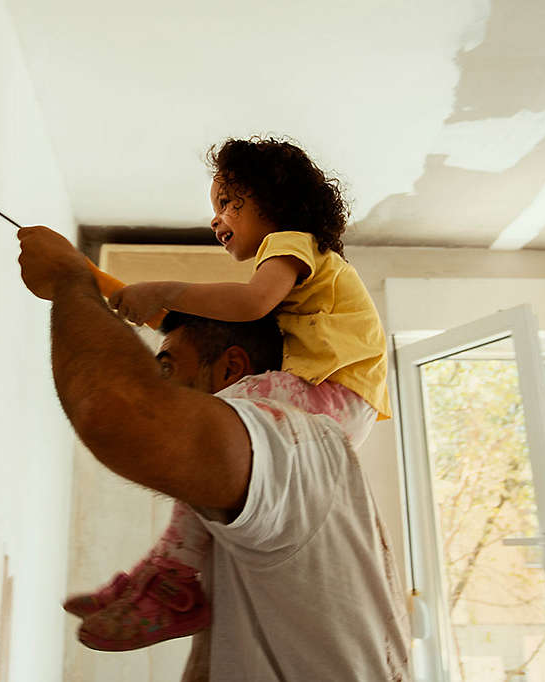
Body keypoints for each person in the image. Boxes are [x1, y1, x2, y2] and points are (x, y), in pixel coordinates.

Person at [16, 225, 411, 680]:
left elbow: (116, 415)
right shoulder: (256, 480)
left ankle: (168, 579)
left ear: (232, 368)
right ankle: (165, 576)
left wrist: (71, 281)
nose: (160, 388)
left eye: (167, 369)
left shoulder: (297, 447)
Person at [67, 137, 392, 651]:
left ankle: (172, 581)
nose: (216, 221)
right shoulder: (303, 268)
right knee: (221, 458)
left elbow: (249, 302)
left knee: (216, 420)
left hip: (337, 394)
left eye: (227, 204)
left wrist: (168, 289)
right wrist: (98, 285)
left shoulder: (292, 243)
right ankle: (167, 572)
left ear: (274, 201)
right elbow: (202, 325)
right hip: (341, 404)